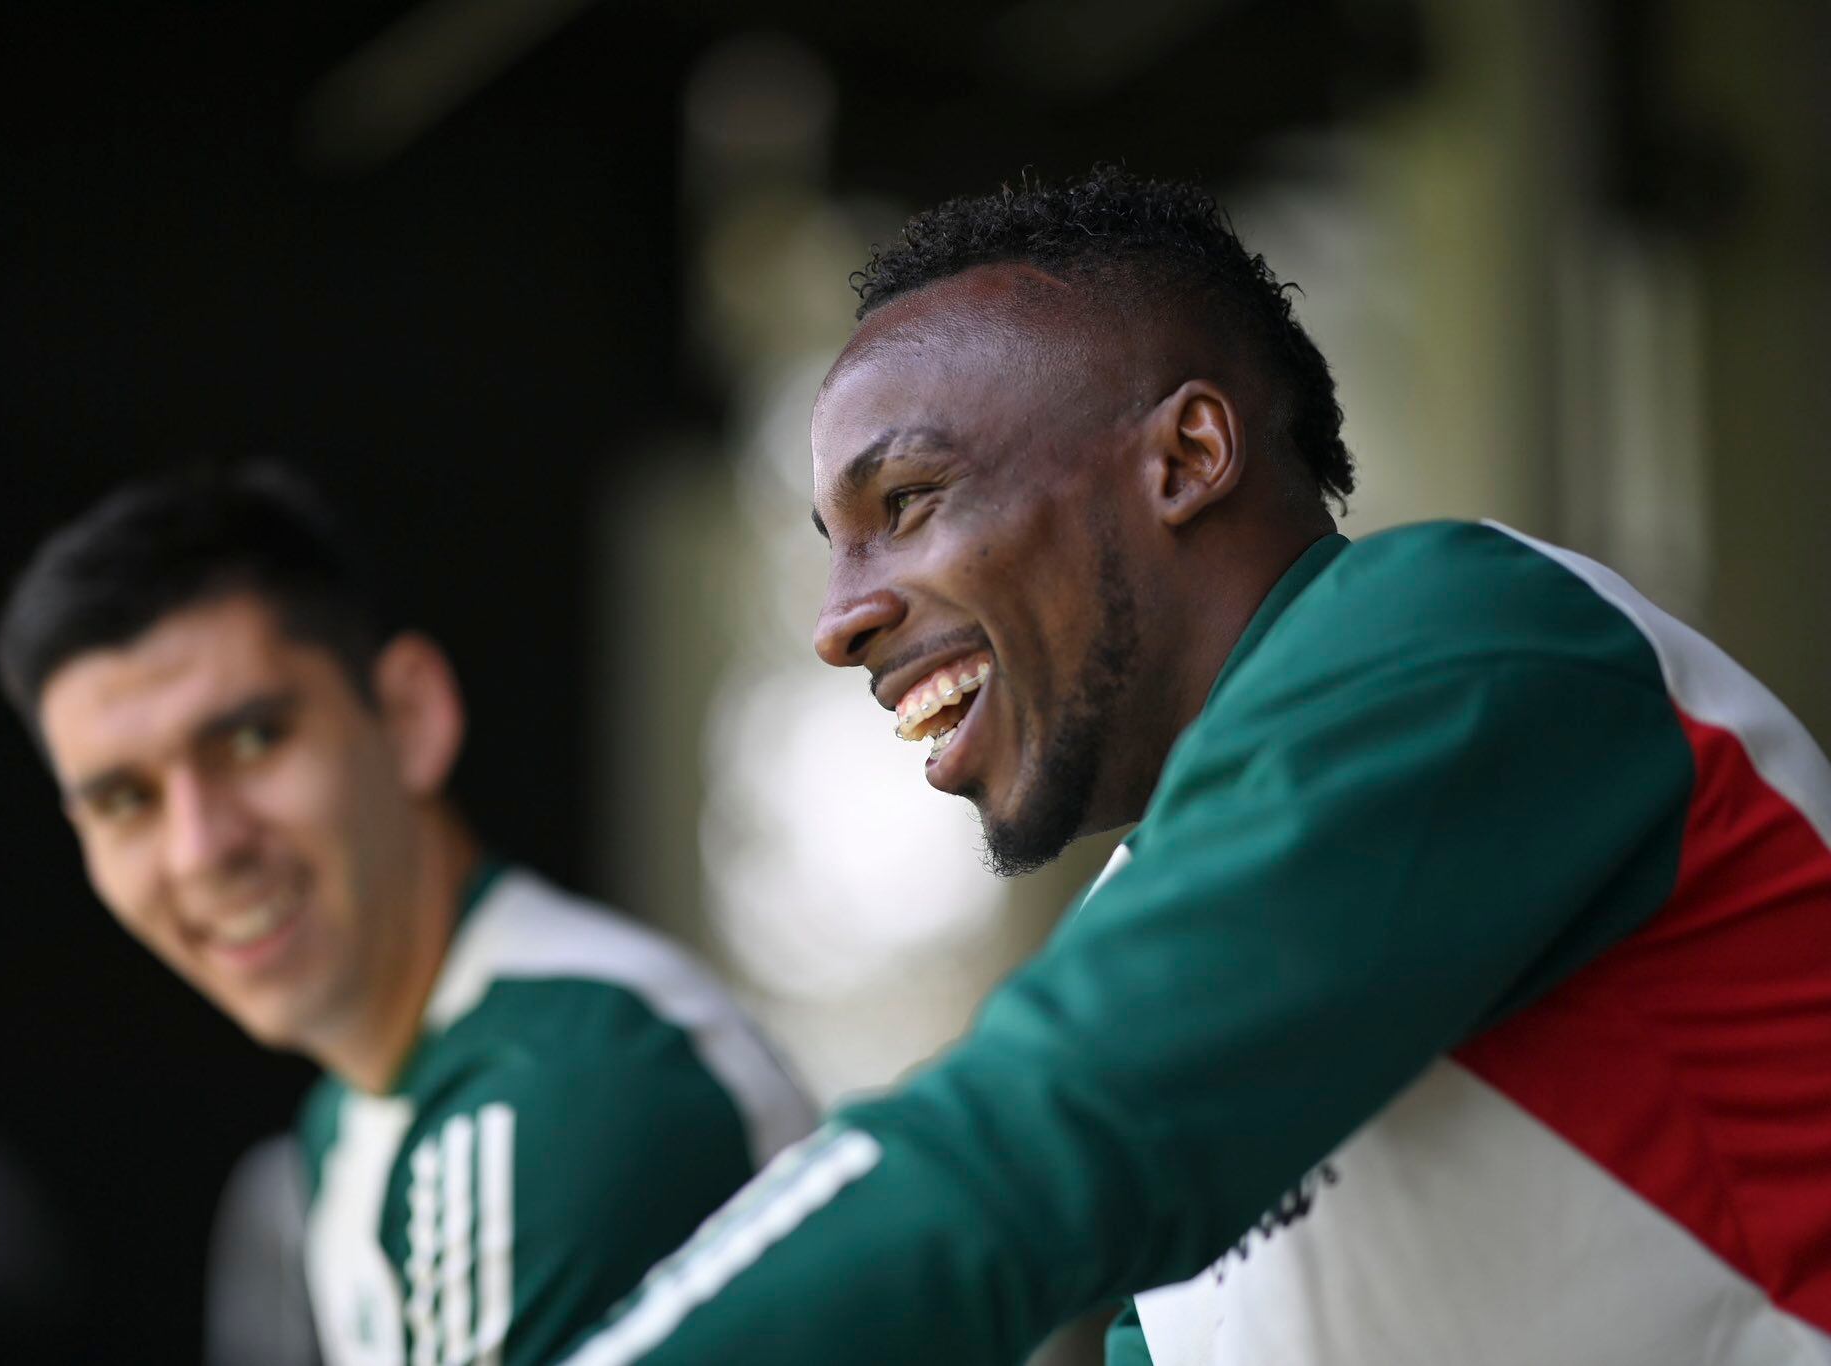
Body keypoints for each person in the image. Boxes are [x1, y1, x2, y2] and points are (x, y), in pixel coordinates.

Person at [559, 167, 1831, 1365]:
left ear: (1183, 459)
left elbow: (1028, 1147)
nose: (839, 620)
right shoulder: (1155, 920)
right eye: (833, 546)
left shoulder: (1451, 637)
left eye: (904, 502)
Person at [0, 464, 815, 1366]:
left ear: (409, 717)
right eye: (124, 800)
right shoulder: (357, 1113)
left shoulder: (559, 1092)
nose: (200, 848)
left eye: (251, 739)